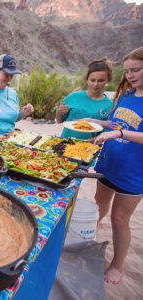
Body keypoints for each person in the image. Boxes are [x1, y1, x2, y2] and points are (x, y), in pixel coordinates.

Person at [88, 47, 143, 284]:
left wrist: (119, 132)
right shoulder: (126, 95)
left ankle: (118, 266)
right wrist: (97, 122)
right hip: (109, 162)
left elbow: (123, 129)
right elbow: (116, 121)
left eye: (136, 70)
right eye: (128, 71)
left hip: (133, 172)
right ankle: (88, 239)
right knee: (99, 205)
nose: (130, 75)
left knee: (120, 219)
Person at [55, 58, 114, 139]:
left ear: (108, 80)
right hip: (65, 143)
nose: (96, 84)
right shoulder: (73, 97)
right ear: (87, 79)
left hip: (90, 148)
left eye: (101, 80)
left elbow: (106, 133)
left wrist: (87, 143)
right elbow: (60, 121)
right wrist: (59, 113)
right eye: (92, 80)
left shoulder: (110, 105)